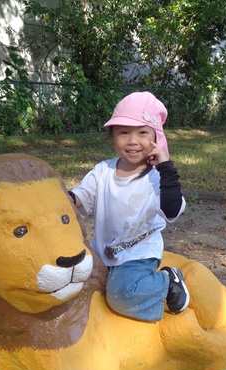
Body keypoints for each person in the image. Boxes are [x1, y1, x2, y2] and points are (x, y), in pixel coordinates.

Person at [69, 91, 189, 322]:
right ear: (113, 136)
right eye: (123, 132)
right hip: (102, 249)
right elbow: (82, 195)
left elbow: (172, 210)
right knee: (73, 279)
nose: (132, 141)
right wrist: (65, 198)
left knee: (121, 295)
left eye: (142, 133)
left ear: (156, 138)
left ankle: (167, 280)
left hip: (138, 253)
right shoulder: (103, 170)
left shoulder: (157, 178)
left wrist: (166, 169)